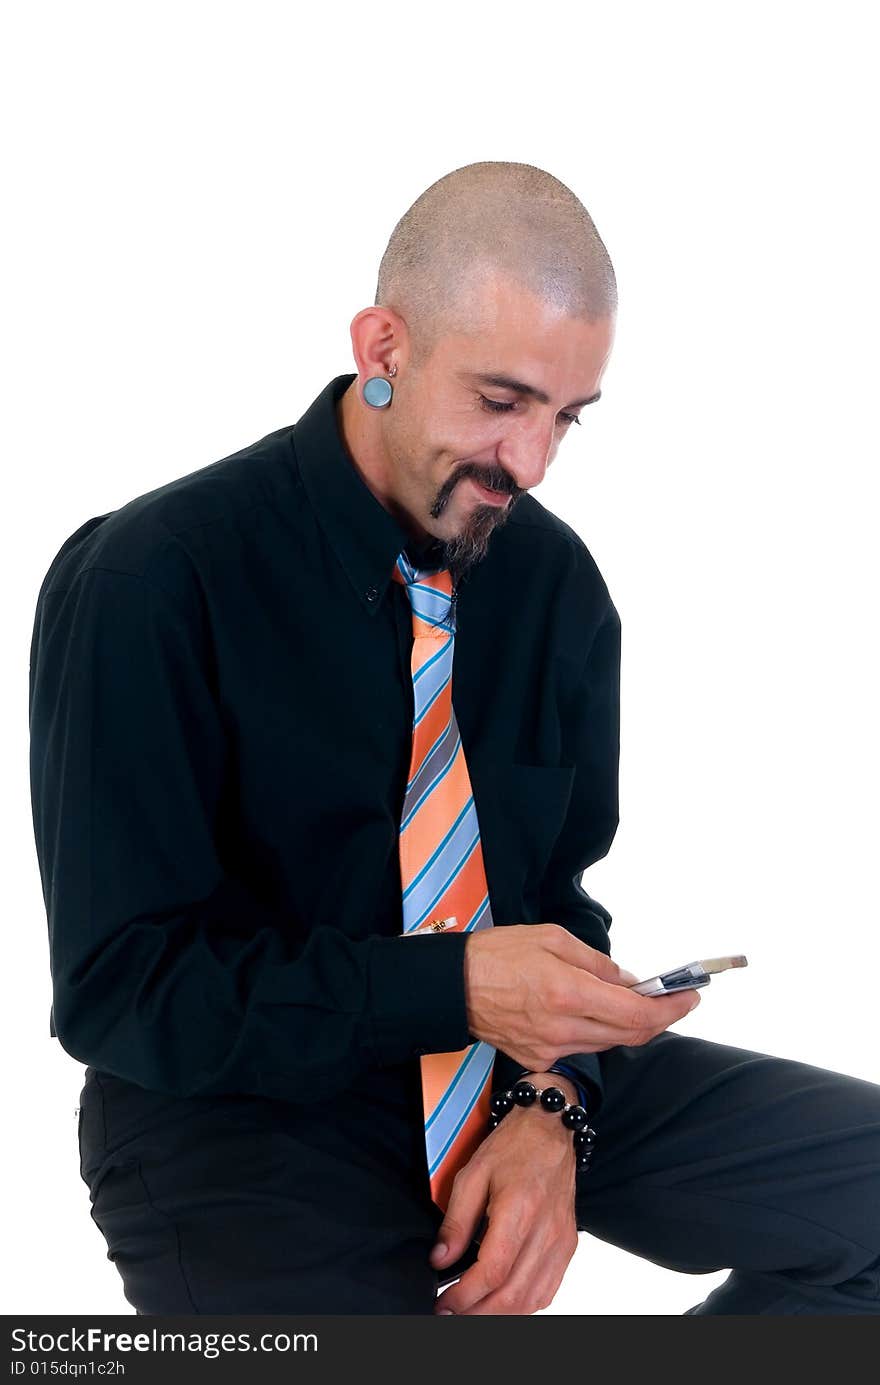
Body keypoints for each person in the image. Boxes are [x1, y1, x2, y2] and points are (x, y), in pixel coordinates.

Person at [29, 160, 880, 1316]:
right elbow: (123, 991)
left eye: (564, 418)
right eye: (500, 400)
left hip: (508, 1077)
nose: (528, 464)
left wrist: (554, 1106)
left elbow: (554, 902)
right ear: (384, 349)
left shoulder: (550, 584)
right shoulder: (153, 578)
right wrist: (457, 987)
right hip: (239, 1124)